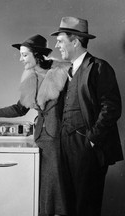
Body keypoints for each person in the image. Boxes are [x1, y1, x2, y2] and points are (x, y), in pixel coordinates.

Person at [0, 34, 71, 216]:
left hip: (59, 138)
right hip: (41, 139)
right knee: (42, 188)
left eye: (25, 55)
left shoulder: (63, 73)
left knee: (57, 188)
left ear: (37, 54)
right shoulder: (30, 77)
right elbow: (20, 109)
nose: (21, 59)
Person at [50, 17, 123, 216]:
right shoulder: (66, 70)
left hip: (87, 148)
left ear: (75, 41)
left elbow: (112, 107)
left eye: (61, 40)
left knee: (86, 207)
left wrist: (92, 139)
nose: (56, 45)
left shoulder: (99, 67)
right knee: (68, 207)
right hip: (65, 147)